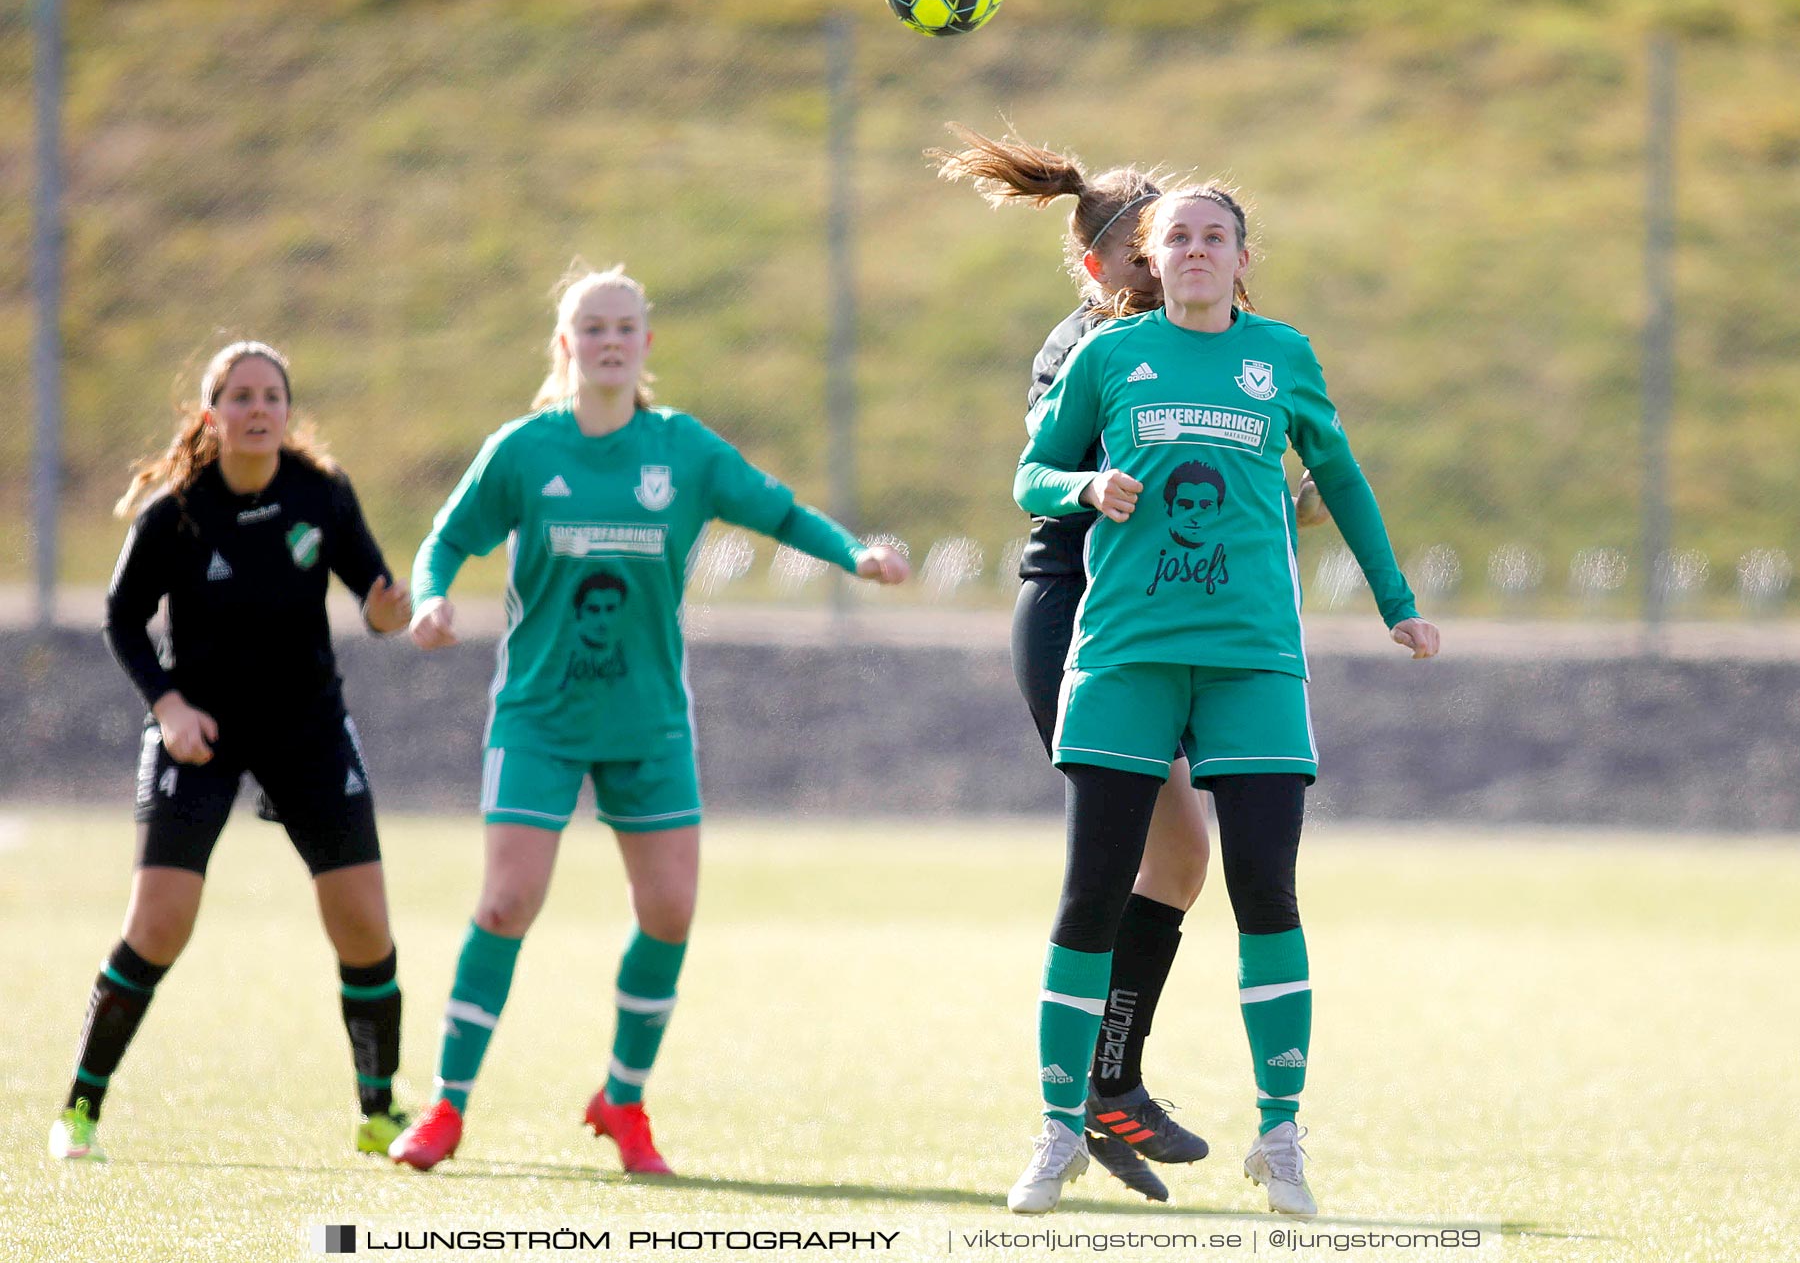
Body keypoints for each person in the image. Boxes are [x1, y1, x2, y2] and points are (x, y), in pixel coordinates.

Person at [386, 262, 910, 1175]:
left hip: (649, 719)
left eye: (625, 326)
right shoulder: (523, 450)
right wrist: (431, 598)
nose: (610, 341)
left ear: (647, 344)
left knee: (669, 911)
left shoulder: (684, 451)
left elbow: (776, 510)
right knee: (508, 902)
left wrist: (853, 553)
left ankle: (622, 1100)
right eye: (592, 327)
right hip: (539, 717)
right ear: (565, 345)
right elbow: (446, 537)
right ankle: (446, 1106)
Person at [1006, 182, 1441, 1216]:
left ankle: (1281, 1137)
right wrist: (1082, 488)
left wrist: (1398, 602)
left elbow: (1341, 478)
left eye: (1216, 237)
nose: (1198, 251)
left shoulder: (1283, 356)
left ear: (1244, 258)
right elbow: (1031, 471)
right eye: (1180, 239)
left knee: (1263, 889)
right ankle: (1060, 1128)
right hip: (1123, 656)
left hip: (1253, 661)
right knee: (1091, 895)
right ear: (1151, 261)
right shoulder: (1109, 357)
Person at [931, 125, 1329, 1203]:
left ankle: (1111, 1080)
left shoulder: (1200, 339)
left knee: (1188, 859)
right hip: (1081, 610)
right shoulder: (1092, 346)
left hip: (1169, 612)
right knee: (1126, 862)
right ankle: (1093, 1090)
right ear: (1107, 262)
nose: (1171, 259)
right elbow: (1095, 469)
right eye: (1150, 247)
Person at [50, 340, 415, 1163]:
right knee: (160, 923)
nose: (258, 409)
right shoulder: (176, 512)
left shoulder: (321, 494)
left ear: (288, 413)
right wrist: (168, 704)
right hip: (201, 732)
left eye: (272, 396)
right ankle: (79, 1109)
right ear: (211, 416)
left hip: (309, 728)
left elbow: (376, 596)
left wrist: (394, 612)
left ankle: (379, 1113)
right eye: (240, 396)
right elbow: (120, 620)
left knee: (363, 923)